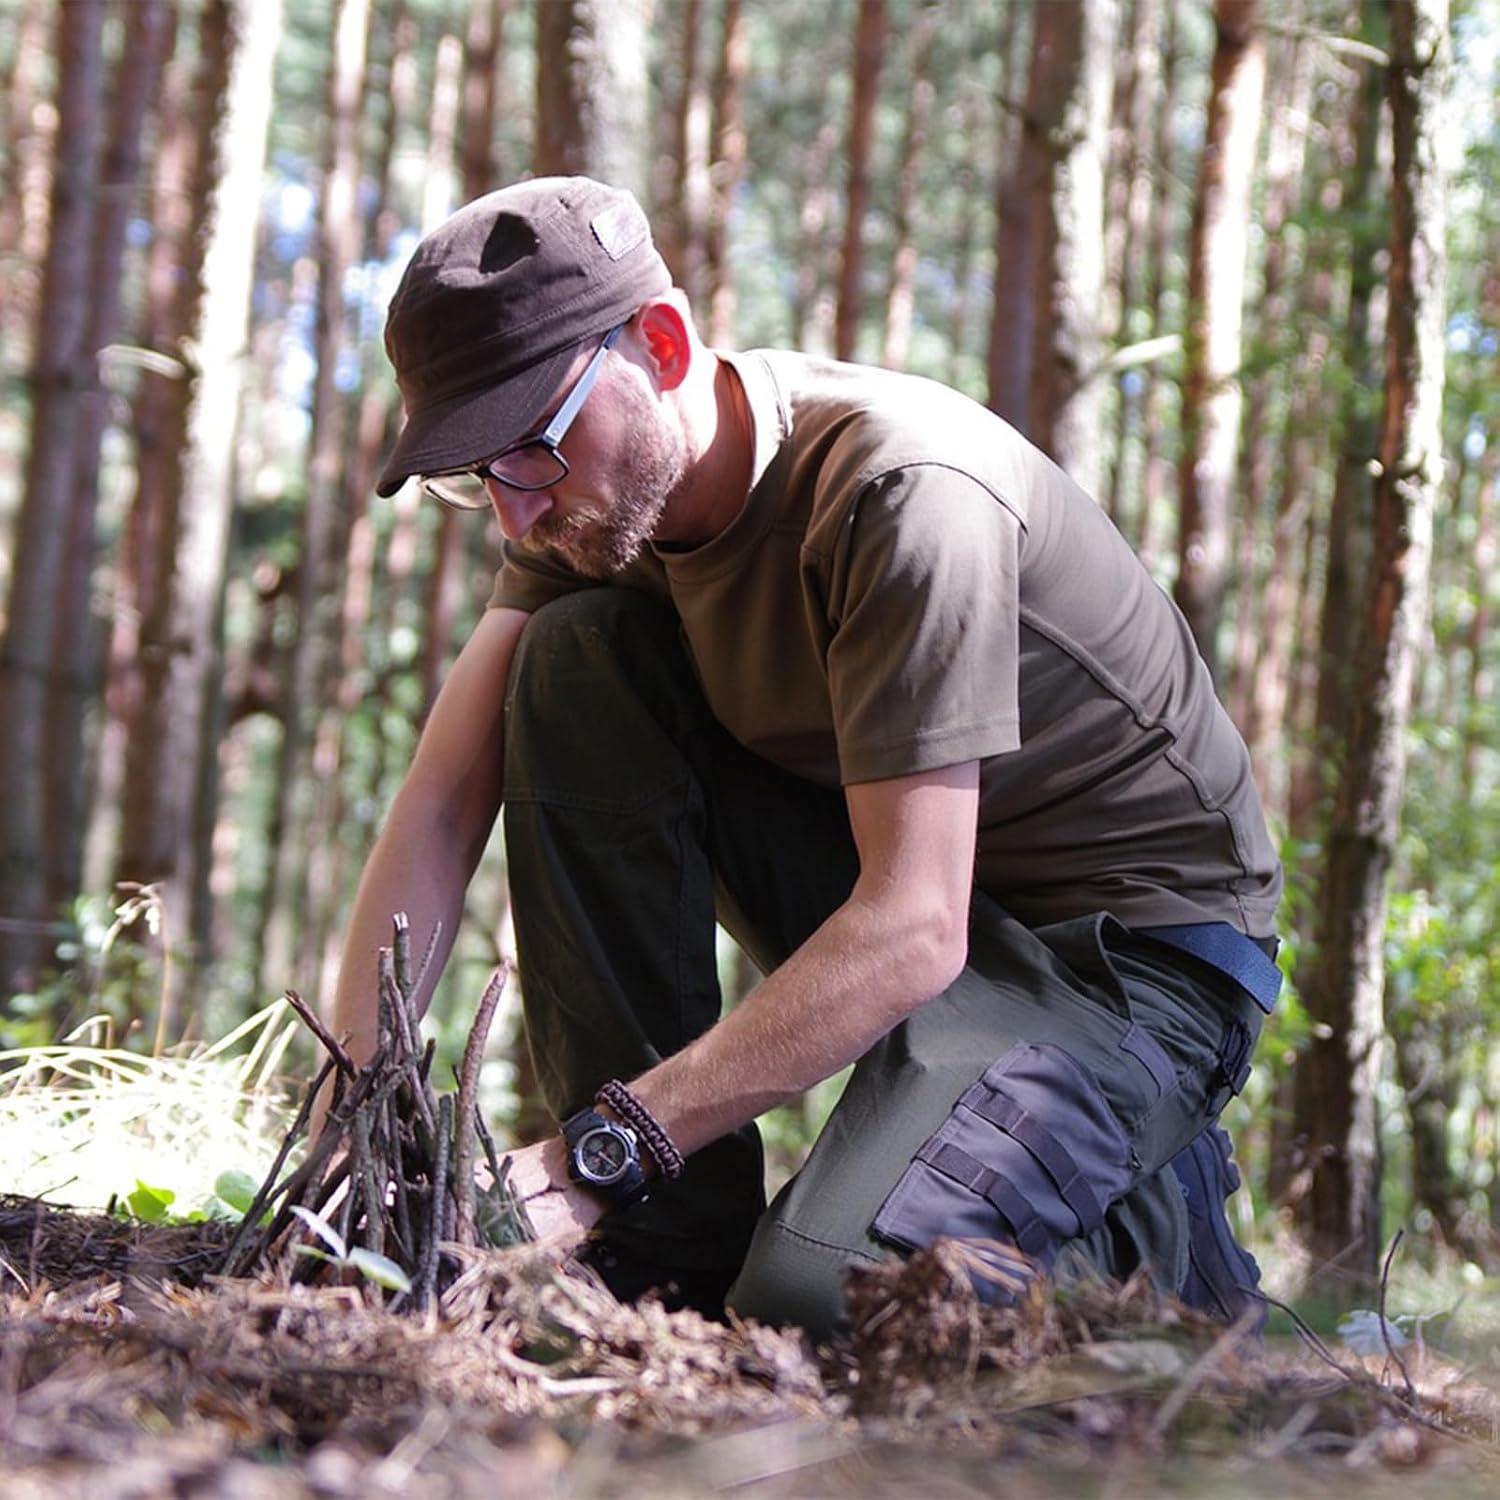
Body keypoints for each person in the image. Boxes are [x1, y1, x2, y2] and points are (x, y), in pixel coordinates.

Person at [334, 175, 1283, 1341]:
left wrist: (604, 1150)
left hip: (1133, 964)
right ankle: (663, 1240)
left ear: (665, 345)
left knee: (824, 1301)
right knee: (575, 657)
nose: (513, 517)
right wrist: (355, 1117)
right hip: (919, 899)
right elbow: (442, 801)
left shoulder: (900, 494)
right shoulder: (588, 510)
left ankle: (1155, 1227)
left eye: (530, 448)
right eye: (474, 475)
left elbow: (914, 924)